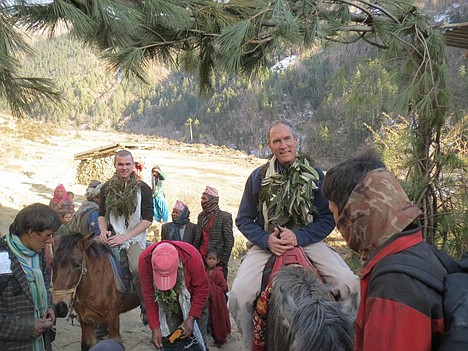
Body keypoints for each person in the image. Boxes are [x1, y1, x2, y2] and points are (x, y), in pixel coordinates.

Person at [228, 120, 359, 350]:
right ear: (270, 146)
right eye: (276, 141)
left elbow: (328, 218)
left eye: (287, 139)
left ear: (296, 141)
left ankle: (344, 340)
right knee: (240, 295)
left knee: (348, 283)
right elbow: (244, 219)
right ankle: (252, 345)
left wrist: (299, 237)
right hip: (267, 244)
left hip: (307, 241)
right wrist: (266, 239)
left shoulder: (317, 176)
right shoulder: (258, 177)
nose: (283, 145)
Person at [322, 150, 452, 350]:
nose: (335, 222)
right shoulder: (422, 253)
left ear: (355, 214)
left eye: (334, 212)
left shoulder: (393, 287)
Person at [98, 149, 153, 324]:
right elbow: (101, 214)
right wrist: (103, 230)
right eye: (120, 164)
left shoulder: (143, 189)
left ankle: (146, 307)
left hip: (134, 238)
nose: (124, 168)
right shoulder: (106, 188)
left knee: (137, 269)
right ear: (115, 165)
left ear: (133, 165)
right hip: (112, 234)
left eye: (127, 164)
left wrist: (126, 237)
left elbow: (147, 220)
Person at [0, 203, 61, 351]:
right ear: (31, 232)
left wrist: (49, 307)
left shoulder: (39, 255)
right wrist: (28, 327)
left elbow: (46, 286)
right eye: (48, 235)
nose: (50, 241)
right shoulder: (2, 259)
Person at [138, 241, 209, 350]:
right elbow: (149, 296)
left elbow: (202, 289)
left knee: (198, 342)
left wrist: (191, 317)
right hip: (168, 303)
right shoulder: (144, 261)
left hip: (194, 299)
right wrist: (155, 328)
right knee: (172, 340)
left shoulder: (192, 256)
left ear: (178, 265)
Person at [193, 186, 234, 279]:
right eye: (201, 199)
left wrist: (221, 261)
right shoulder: (201, 216)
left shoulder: (224, 217)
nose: (202, 201)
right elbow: (198, 238)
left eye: (204, 199)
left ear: (212, 200)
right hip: (202, 258)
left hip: (216, 261)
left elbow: (229, 241)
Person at [205, 250, 231, 347]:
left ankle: (220, 339)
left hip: (218, 301)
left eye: (213, 259)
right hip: (209, 301)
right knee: (211, 320)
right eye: (209, 259)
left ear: (217, 261)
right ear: (206, 260)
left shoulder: (219, 273)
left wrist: (214, 290)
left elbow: (223, 287)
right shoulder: (205, 272)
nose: (211, 261)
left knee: (219, 318)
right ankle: (213, 337)